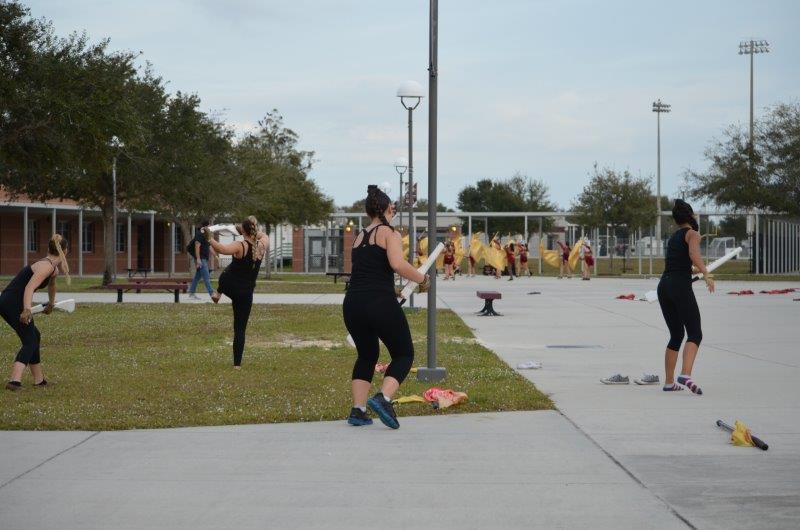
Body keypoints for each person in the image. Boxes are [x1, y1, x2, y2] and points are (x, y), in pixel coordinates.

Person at [343, 185, 429, 429]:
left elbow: (369, 272)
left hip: (353, 303)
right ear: (387, 210)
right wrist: (422, 279)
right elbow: (397, 264)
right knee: (404, 354)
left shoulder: (359, 236)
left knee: (367, 355)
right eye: (393, 209)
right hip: (378, 303)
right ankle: (383, 398)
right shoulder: (390, 233)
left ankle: (358, 411)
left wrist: (391, 290)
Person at [657, 199, 714, 394]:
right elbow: (693, 254)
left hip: (664, 286)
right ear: (690, 216)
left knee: (676, 334)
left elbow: (679, 263)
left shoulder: (674, 237)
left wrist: (694, 270)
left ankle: (669, 382)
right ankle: (685, 374)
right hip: (679, 287)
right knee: (695, 333)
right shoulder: (693, 234)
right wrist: (706, 273)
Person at [2, 234, 70, 391]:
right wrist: (27, 310)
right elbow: (29, 287)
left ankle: (39, 380)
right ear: (65, 251)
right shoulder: (46, 267)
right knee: (30, 340)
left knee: (34, 336)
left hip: (11, 301)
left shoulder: (52, 268)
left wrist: (51, 304)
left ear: (49, 249)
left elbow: (52, 285)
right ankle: (14, 381)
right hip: (11, 303)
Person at [204, 216, 268, 369]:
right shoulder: (262, 244)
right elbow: (263, 235)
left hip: (230, 286)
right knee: (240, 329)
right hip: (246, 293)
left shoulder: (240, 245)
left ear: (243, 231)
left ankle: (217, 293)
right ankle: (237, 365)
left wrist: (209, 238)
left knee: (226, 274)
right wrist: (247, 230)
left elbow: (222, 249)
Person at [188, 220, 217, 301]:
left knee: (197, 277)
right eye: (209, 226)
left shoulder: (206, 235)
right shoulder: (199, 234)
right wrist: (198, 259)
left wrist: (215, 255)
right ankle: (212, 294)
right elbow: (197, 246)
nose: (210, 228)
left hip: (204, 258)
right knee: (206, 277)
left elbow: (209, 246)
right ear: (205, 226)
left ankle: (191, 293)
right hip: (201, 259)